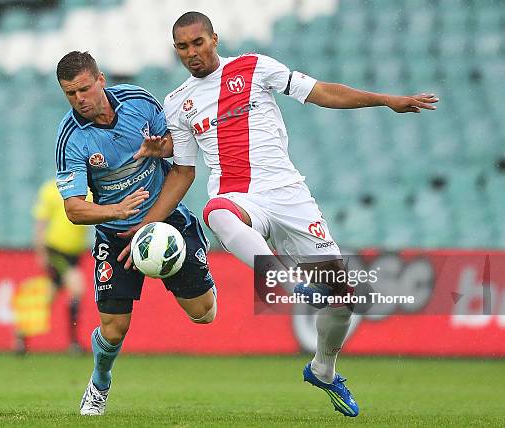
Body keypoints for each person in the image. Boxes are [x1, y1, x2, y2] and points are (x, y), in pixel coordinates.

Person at [117, 11, 438, 418]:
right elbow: (183, 171)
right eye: (182, 47)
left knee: (341, 301)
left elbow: (321, 92)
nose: (192, 53)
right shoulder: (178, 103)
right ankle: (279, 276)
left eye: (198, 43)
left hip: (290, 196)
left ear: (215, 38)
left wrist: (385, 100)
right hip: (238, 195)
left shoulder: (255, 67)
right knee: (216, 211)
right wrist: (149, 223)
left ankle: (323, 369)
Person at [54, 51, 217, 416]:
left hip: (167, 219)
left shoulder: (139, 102)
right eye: (69, 94)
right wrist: (115, 211)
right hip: (115, 235)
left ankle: (198, 254)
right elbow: (74, 208)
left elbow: (182, 151)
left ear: (100, 81)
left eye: (83, 89)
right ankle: (99, 383)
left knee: (204, 314)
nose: (78, 99)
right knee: (113, 330)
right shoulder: (71, 138)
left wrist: (164, 147)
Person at [14, 178, 90, 355]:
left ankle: (21, 335)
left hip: (75, 253)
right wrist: (41, 252)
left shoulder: (88, 189)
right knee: (77, 289)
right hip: (56, 250)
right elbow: (40, 223)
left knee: (49, 296)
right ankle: (74, 343)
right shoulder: (51, 189)